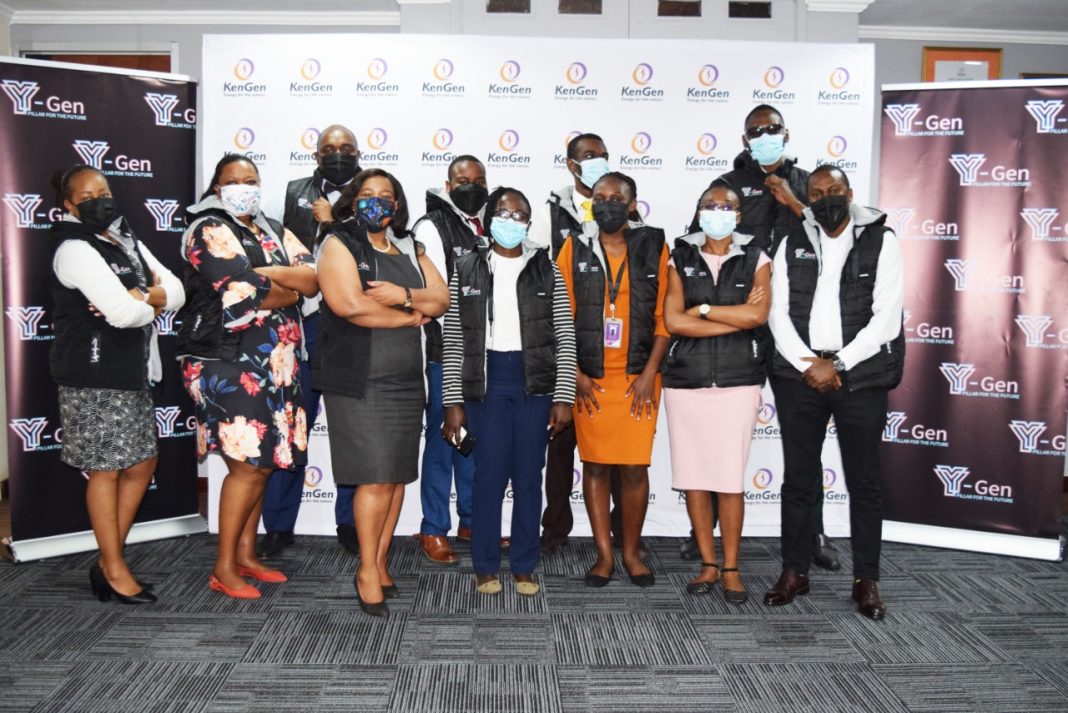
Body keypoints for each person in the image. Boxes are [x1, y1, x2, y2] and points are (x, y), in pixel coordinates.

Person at [681, 104, 842, 572]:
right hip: (736, 325)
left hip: (796, 326)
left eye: (772, 129)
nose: (765, 136)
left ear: (786, 133)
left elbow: (834, 238)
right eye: (756, 131)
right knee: (714, 436)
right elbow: (698, 247)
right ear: (745, 137)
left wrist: (794, 201)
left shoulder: (812, 182)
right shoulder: (726, 186)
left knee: (804, 437)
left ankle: (812, 530)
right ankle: (702, 531)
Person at [763, 165, 903, 621]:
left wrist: (837, 363)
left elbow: (887, 317)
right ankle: (794, 571)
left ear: (849, 193)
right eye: (818, 192)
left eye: (834, 191)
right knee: (798, 480)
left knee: (864, 482)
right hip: (800, 375)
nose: (826, 199)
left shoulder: (883, 241)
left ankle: (866, 580)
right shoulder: (791, 241)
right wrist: (809, 364)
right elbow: (777, 314)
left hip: (859, 377)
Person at [178, 154, 318, 600]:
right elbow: (241, 294)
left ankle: (245, 553)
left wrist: (269, 278)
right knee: (247, 466)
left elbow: (312, 280)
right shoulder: (207, 229)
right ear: (217, 187)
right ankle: (223, 566)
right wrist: (281, 285)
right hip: (227, 361)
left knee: (261, 467)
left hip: (278, 363)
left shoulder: (272, 227)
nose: (244, 187)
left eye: (251, 180)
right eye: (233, 180)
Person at [315, 168, 449, 617]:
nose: (377, 202)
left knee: (393, 478)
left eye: (386, 195)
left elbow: (441, 299)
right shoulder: (339, 243)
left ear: (397, 204)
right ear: (353, 201)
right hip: (359, 381)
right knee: (373, 477)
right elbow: (348, 305)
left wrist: (402, 296)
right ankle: (365, 572)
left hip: (407, 378)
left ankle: (380, 561)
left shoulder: (410, 245)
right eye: (367, 194)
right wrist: (411, 315)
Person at [49, 164, 185, 605]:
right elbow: (121, 315)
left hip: (132, 371)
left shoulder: (124, 237)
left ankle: (109, 557)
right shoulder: (73, 247)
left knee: (142, 464)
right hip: (94, 374)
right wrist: (147, 300)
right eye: (86, 196)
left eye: (103, 190)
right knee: (106, 469)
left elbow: (178, 291)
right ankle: (113, 566)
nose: (98, 200)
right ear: (68, 205)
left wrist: (142, 296)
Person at [441, 187, 576, 596]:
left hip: (534, 382)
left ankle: (523, 564)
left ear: (529, 224)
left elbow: (564, 334)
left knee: (529, 477)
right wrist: (452, 401)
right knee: (489, 476)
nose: (511, 221)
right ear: (489, 218)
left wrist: (564, 395)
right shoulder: (465, 267)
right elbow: (453, 337)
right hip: (486, 383)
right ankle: (484, 564)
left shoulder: (545, 267)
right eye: (503, 212)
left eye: (520, 215)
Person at [556, 172, 668, 588]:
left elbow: (664, 317)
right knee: (597, 466)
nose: (607, 204)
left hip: (639, 377)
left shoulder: (654, 244)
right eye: (600, 198)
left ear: (632, 204)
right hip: (592, 379)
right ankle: (604, 556)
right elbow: (560, 315)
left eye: (616, 198)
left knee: (635, 468)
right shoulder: (575, 245)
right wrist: (576, 374)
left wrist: (649, 373)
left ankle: (632, 552)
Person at [662, 183, 771, 604]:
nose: (719, 211)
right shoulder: (680, 255)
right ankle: (707, 563)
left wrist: (704, 310)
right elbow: (674, 321)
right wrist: (735, 319)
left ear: (739, 216)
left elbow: (758, 314)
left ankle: (730, 567)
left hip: (737, 381)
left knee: (728, 480)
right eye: (710, 205)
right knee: (693, 478)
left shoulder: (757, 257)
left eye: (728, 207)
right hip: (686, 382)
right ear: (699, 210)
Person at [259, 124, 361, 559]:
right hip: (302, 328)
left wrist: (335, 220)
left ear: (359, 154)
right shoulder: (294, 191)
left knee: (353, 432)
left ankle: (351, 521)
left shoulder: (373, 191)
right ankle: (279, 525)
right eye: (328, 149)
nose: (337, 155)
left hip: (352, 328)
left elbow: (377, 254)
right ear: (316, 155)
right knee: (291, 427)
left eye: (346, 149)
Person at [527, 132, 611, 558]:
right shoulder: (547, 214)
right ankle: (555, 527)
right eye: (588, 156)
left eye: (602, 155)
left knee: (610, 453)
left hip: (610, 358)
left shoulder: (621, 208)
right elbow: (538, 280)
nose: (596, 162)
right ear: (571, 165)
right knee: (559, 449)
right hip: (561, 349)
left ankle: (615, 531)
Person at [412, 155, 489, 564]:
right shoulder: (431, 226)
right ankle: (433, 528)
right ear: (448, 183)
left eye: (478, 180)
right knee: (445, 439)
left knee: (472, 442)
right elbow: (437, 298)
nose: (471, 186)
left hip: (486, 355)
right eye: (463, 180)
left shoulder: (491, 222)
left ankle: (473, 520)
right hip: (446, 353)